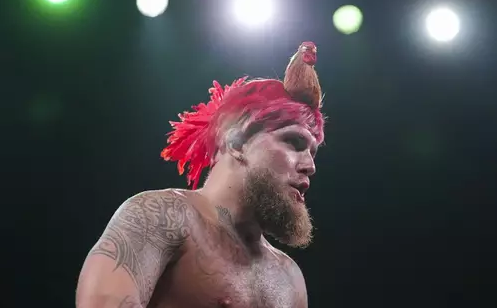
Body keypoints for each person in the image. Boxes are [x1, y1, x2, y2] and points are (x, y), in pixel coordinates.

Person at [76, 42, 326, 308]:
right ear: (236, 142)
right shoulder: (164, 216)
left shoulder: (289, 277)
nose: (310, 165)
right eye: (294, 143)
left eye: (313, 152)